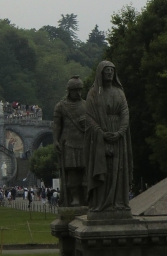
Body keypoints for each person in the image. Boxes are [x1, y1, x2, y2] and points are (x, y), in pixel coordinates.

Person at [84, 61, 133, 212]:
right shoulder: (93, 93)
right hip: (100, 135)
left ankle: (118, 201)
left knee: (118, 168)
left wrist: (120, 132)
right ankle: (101, 202)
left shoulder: (119, 92)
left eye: (112, 70)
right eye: (107, 70)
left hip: (118, 134)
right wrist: (100, 132)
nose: (110, 73)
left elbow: (125, 113)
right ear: (101, 73)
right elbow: (89, 116)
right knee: (104, 167)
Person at [52, 76, 89, 207]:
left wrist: (88, 123)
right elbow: (57, 125)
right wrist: (55, 140)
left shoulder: (87, 105)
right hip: (68, 142)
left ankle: (86, 197)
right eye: (75, 90)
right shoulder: (61, 106)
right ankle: (75, 198)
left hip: (84, 142)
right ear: (69, 91)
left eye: (80, 90)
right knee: (72, 172)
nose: (78, 93)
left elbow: (95, 125)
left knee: (85, 171)